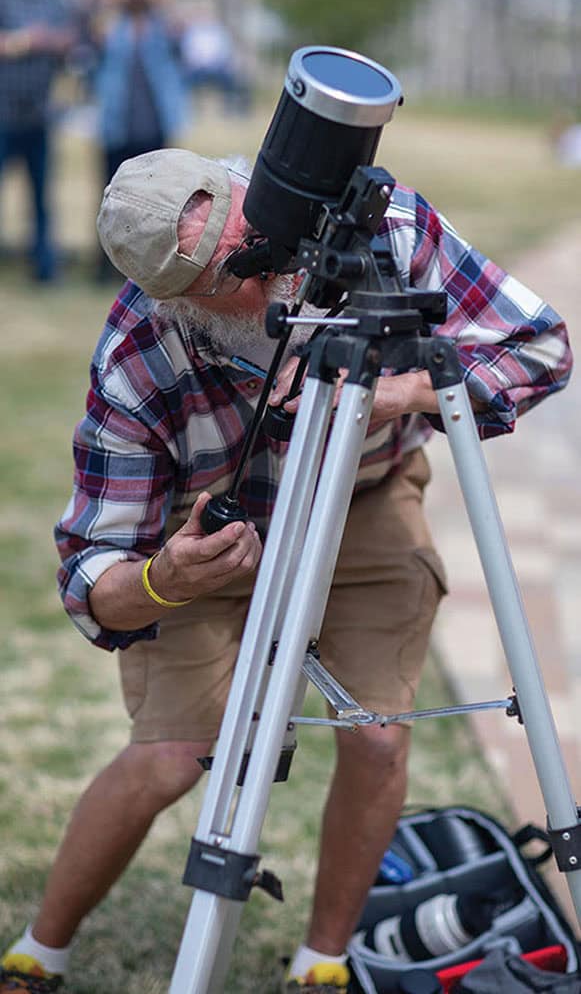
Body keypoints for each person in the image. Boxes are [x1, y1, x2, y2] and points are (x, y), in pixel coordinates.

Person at [0, 148, 572, 994]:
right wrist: (168, 580)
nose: (276, 261)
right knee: (173, 754)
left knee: (378, 739)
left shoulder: (382, 234)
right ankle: (38, 953)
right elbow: (92, 579)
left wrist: (403, 389)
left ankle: (321, 965)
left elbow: (542, 346)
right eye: (242, 265)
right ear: (181, 298)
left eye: (260, 225)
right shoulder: (138, 355)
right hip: (207, 541)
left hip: (363, 498)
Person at [90, 0, 186, 281]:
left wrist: (165, 0)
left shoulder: (160, 27)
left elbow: (182, 39)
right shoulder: (112, 26)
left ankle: (147, 265)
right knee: (110, 196)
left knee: (153, 201)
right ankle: (106, 266)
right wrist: (106, 0)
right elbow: (91, 36)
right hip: (116, 124)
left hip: (154, 124)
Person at [0, 0, 77, 282]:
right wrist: (28, 41)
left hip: (39, 113)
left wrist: (54, 41)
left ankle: (45, 266)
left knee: (42, 197)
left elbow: (69, 39)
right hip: (3, 113)